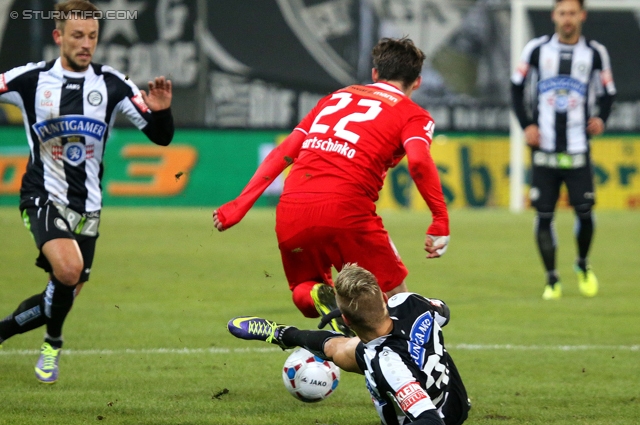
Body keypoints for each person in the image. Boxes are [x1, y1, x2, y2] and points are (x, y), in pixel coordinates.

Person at [214, 38, 450, 333]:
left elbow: (284, 151)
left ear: (375, 74)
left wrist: (239, 205)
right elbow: (418, 161)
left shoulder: (334, 98)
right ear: (417, 82)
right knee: (397, 300)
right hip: (346, 210)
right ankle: (405, 373)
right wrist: (440, 218)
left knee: (304, 288)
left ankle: (321, 299)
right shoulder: (413, 114)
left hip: (292, 206)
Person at [0, 0, 174, 383]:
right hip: (41, 193)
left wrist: (161, 111)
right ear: (58, 36)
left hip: (89, 208)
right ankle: (54, 345)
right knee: (68, 269)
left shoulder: (113, 84)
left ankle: (5, 332)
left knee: (58, 295)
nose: (86, 43)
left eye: (92, 36)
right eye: (77, 35)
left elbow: (161, 138)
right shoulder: (30, 79)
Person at [227, 263, 470, 425]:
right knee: (343, 347)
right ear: (384, 297)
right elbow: (443, 312)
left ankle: (297, 334)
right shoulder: (409, 301)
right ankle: (282, 334)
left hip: (444, 414)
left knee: (347, 349)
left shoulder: (389, 366)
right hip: (447, 388)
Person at [511, 0, 615, 300]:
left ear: (581, 16)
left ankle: (582, 264)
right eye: (562, 13)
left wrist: (601, 119)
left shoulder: (595, 52)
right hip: (543, 148)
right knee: (544, 215)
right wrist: (527, 124)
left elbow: (608, 92)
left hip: (578, 146)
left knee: (584, 211)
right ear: (553, 15)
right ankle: (552, 278)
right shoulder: (536, 49)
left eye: (572, 13)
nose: (567, 19)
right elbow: (516, 88)